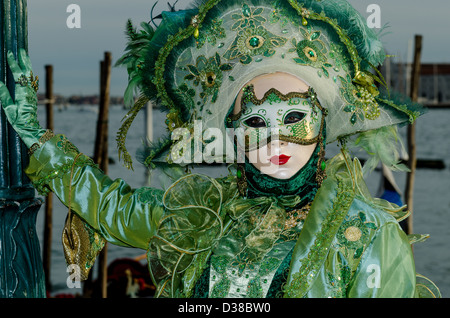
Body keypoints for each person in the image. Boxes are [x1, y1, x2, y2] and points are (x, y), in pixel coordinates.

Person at [0, 0, 440, 298]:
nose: (274, 141)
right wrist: (36, 137)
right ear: (231, 132)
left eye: (293, 118)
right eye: (254, 123)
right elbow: (110, 207)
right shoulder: (202, 215)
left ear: (322, 122)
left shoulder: (365, 236)